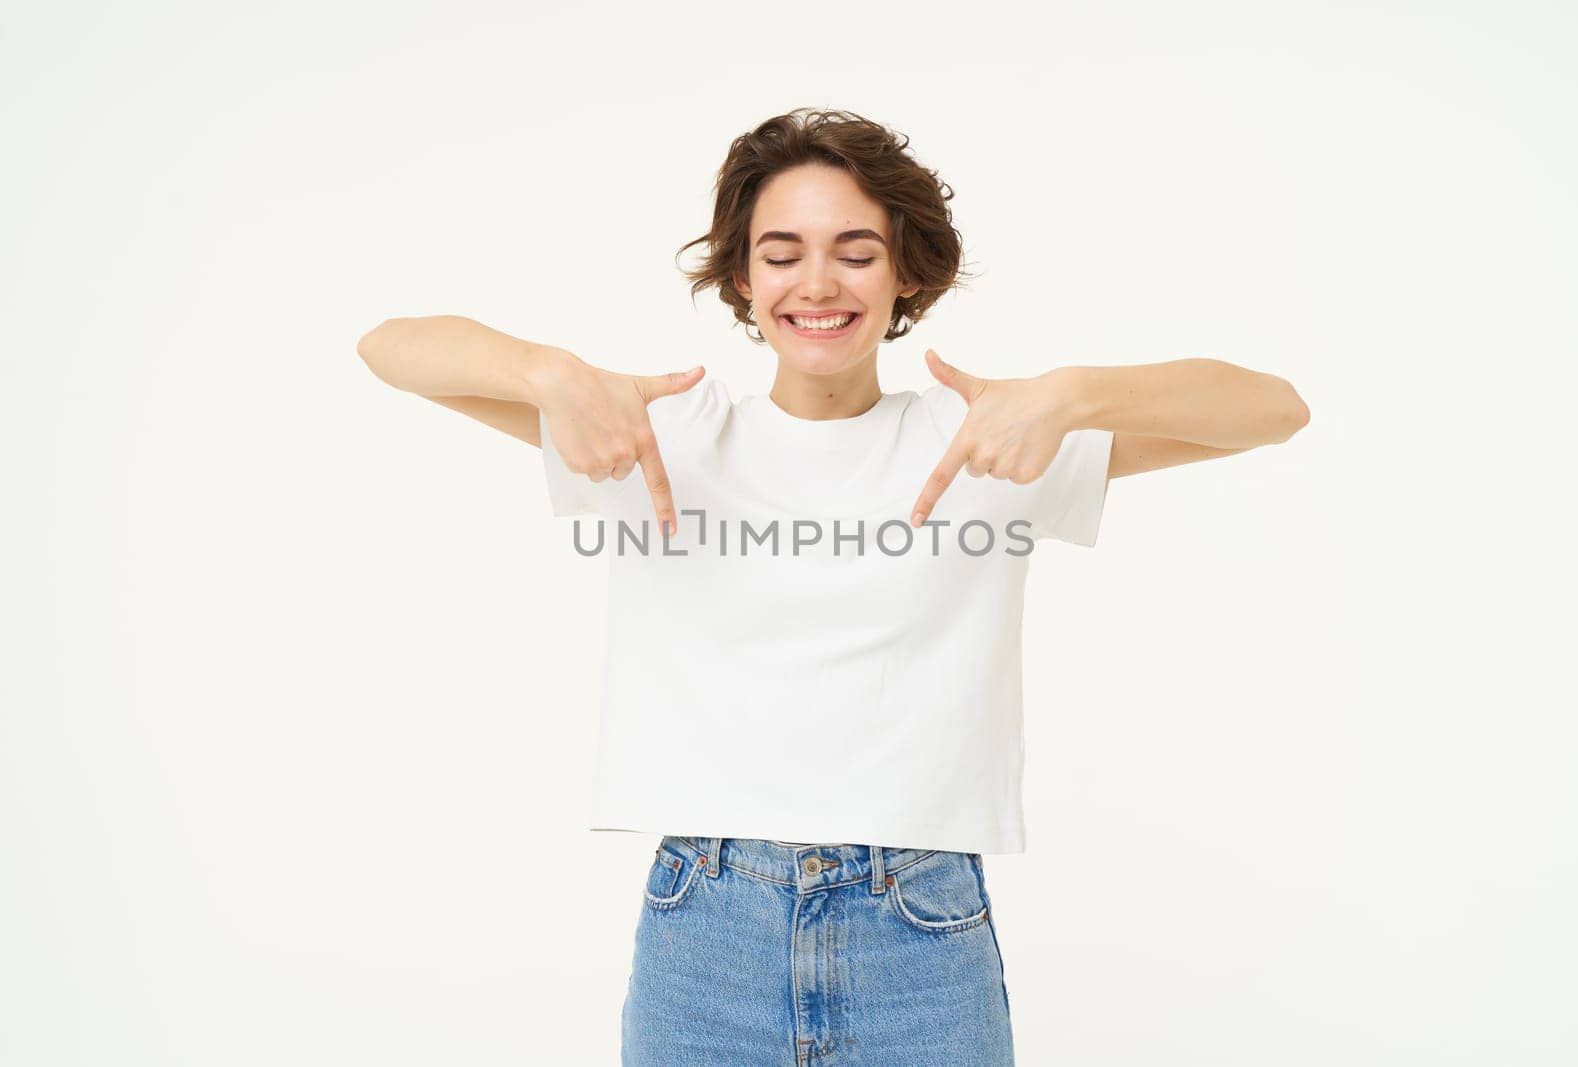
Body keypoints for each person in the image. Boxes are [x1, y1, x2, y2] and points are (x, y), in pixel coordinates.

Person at [357, 107, 1310, 1065]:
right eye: (782, 253)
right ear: (742, 277)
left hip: (921, 933)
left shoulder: (984, 440)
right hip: (707, 936)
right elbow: (388, 347)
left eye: (856, 252)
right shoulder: (661, 438)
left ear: (905, 273)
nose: (817, 283)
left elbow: (1274, 410)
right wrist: (548, 374)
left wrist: (1071, 395)